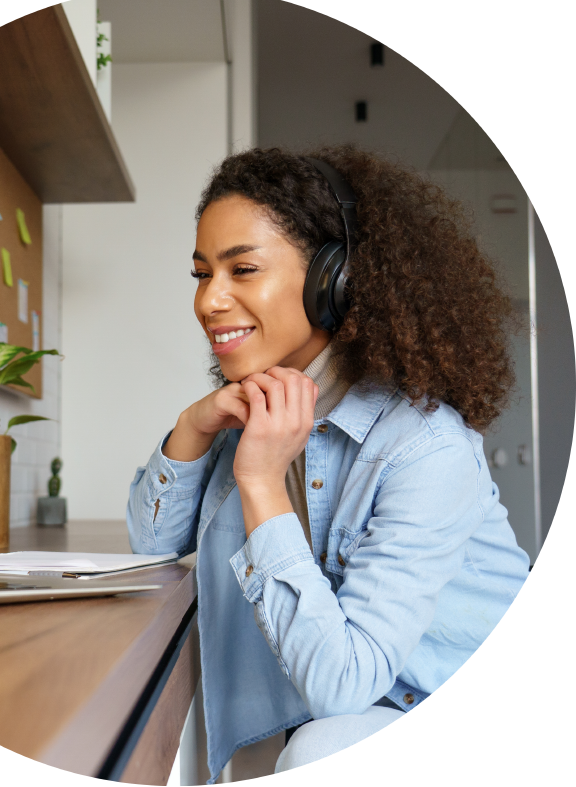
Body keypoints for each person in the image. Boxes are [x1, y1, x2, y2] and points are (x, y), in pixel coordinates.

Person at [126, 145, 530, 784]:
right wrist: (192, 428)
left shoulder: (425, 448)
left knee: (320, 759)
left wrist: (259, 482)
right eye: (203, 275)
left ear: (334, 279)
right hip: (337, 713)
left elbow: (342, 684)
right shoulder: (258, 408)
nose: (210, 301)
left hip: (466, 722)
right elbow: (152, 545)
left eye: (243, 269)